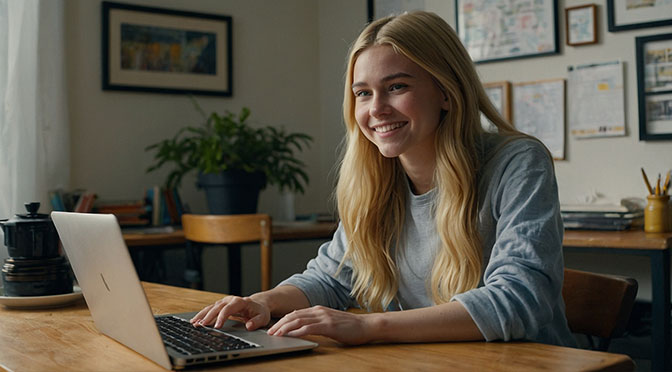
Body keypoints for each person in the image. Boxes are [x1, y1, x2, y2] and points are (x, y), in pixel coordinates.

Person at [190, 11, 576, 347]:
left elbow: (518, 299)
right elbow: (331, 279)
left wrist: (368, 326)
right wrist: (265, 301)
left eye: (397, 87)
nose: (376, 109)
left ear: (446, 90)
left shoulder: (518, 162)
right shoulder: (375, 181)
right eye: (362, 93)